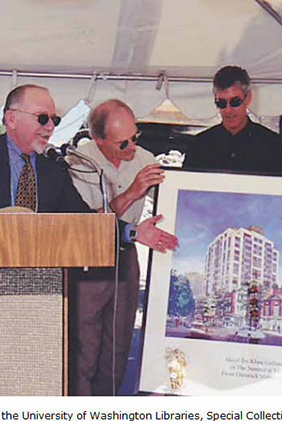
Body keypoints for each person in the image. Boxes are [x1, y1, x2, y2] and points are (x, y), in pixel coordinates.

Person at [0, 85, 171, 395]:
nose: (51, 126)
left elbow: (83, 223)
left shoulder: (54, 169)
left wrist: (132, 232)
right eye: (42, 118)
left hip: (29, 304)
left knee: (17, 394)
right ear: (11, 119)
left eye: (55, 118)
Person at [65, 99, 178, 395]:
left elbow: (173, 202)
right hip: (89, 260)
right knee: (84, 348)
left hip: (126, 257)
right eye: (123, 142)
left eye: (135, 137)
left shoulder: (146, 159)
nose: (132, 147)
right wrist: (132, 193)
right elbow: (90, 222)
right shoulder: (79, 162)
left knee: (118, 347)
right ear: (98, 140)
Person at [183, 65, 282, 175]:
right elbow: (182, 185)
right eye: (222, 103)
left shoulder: (273, 146)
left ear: (248, 97)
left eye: (235, 102)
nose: (228, 110)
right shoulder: (199, 145)